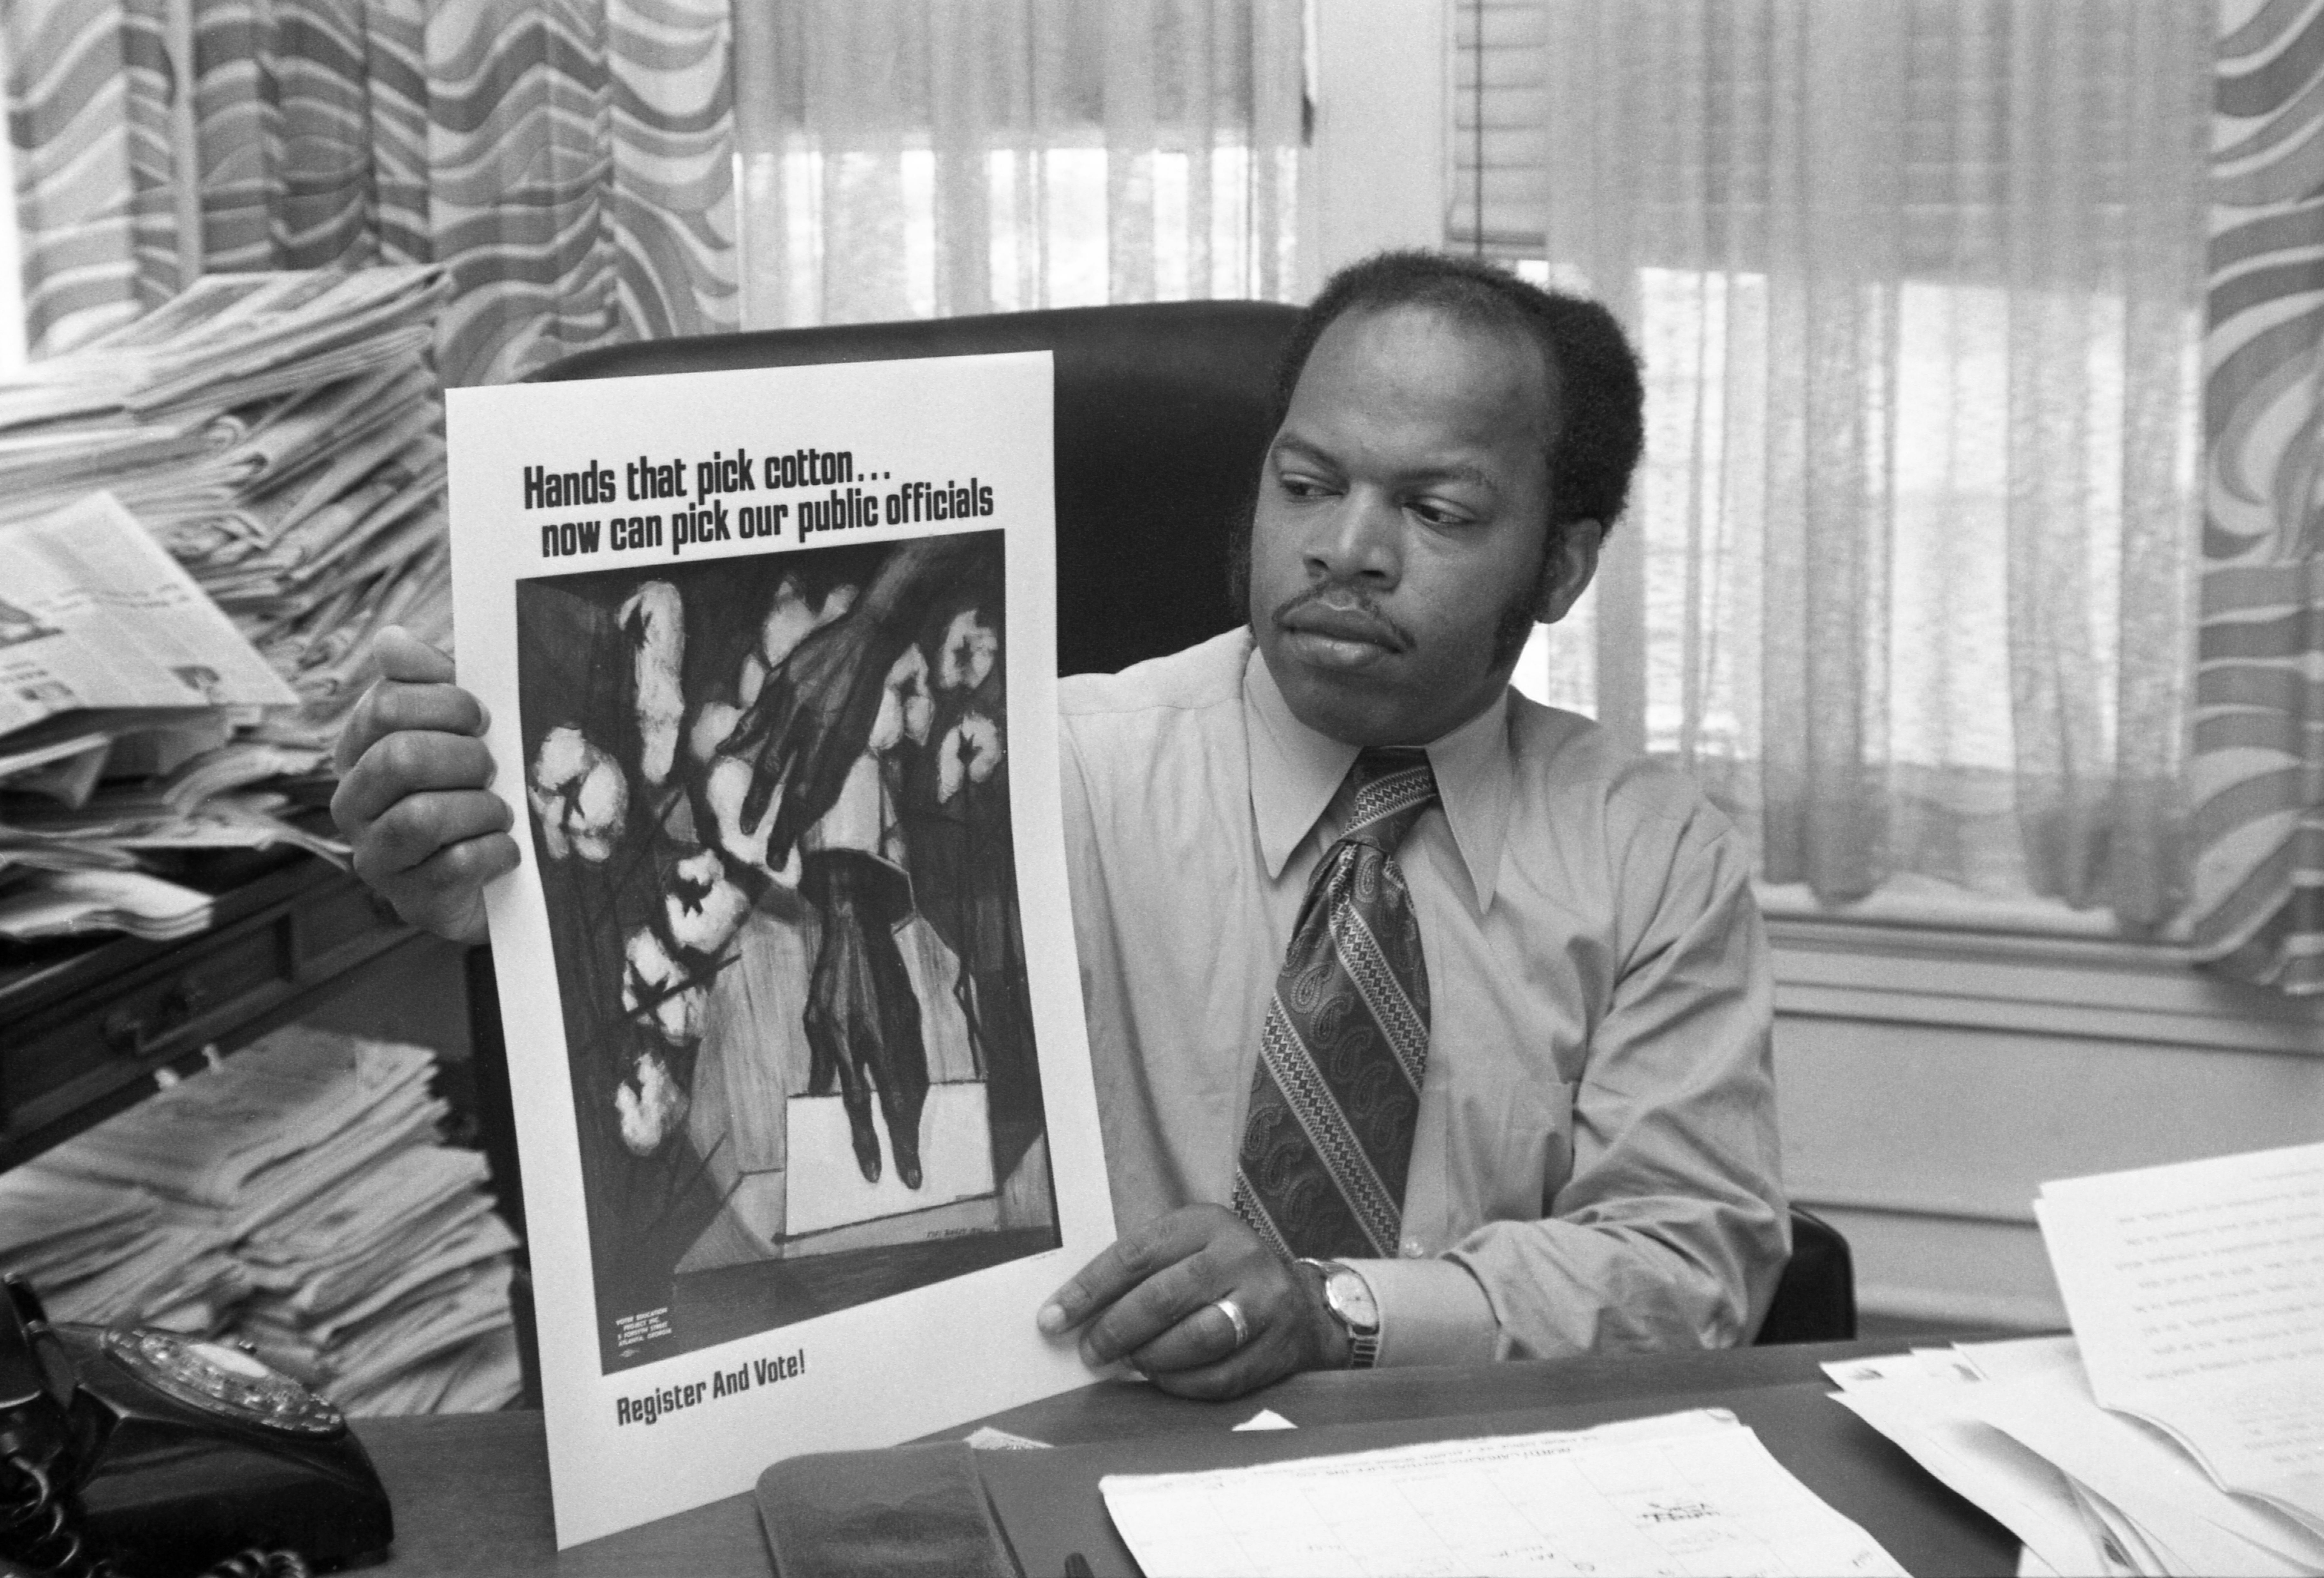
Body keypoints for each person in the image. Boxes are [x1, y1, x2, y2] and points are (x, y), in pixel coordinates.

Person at [330, 250, 1787, 1403]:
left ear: (1563, 566)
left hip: (1472, 1482)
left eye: (1439, 510)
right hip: (1067, 1466)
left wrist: (1339, 1308)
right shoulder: (1044, 769)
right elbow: (699, 921)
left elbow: (1685, 1257)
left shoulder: (1653, 856)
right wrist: (476, 871)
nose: (1346, 546)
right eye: (1306, 484)